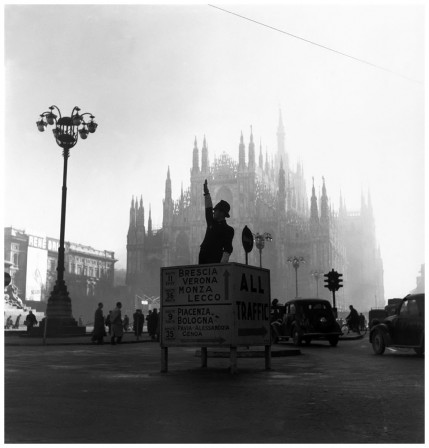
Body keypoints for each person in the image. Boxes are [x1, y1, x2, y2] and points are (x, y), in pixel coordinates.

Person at [198, 179, 234, 264]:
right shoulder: (211, 222)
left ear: (222, 213)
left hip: (215, 261)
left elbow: (227, 249)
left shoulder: (228, 230)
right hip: (203, 259)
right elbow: (208, 209)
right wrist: (206, 193)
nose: (214, 212)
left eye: (216, 210)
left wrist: (222, 266)